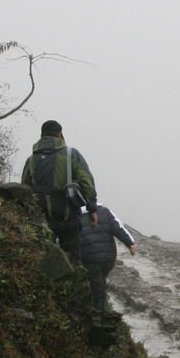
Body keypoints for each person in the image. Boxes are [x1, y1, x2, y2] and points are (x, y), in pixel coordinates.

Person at [21, 120, 98, 254]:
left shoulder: (31, 159)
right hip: (69, 215)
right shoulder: (71, 154)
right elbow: (87, 182)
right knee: (73, 256)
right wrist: (92, 209)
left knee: (43, 255)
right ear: (60, 134)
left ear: (41, 135)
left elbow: (24, 189)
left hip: (41, 217)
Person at [77, 203, 136, 319]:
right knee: (100, 280)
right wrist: (130, 243)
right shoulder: (104, 211)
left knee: (96, 284)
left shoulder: (75, 215)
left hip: (90, 257)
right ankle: (103, 305)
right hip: (109, 257)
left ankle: (101, 312)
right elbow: (118, 228)